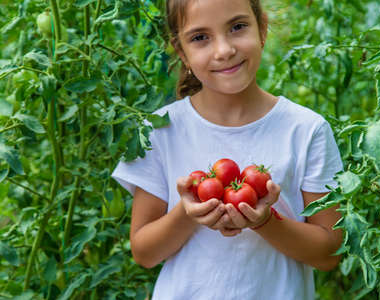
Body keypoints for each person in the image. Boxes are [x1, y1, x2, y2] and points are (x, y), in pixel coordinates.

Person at [112, 0, 343, 299]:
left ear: (262, 26)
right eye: (200, 37)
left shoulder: (306, 129)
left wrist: (265, 221)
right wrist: (186, 212)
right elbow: (144, 252)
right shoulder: (159, 131)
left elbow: (329, 253)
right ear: (181, 51)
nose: (224, 50)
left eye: (237, 27)